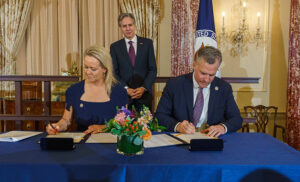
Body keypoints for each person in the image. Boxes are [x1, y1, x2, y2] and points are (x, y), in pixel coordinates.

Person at [155, 46, 242, 137]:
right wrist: (178, 126)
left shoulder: (224, 88)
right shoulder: (175, 85)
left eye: (211, 75)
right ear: (194, 65)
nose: (206, 79)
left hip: (212, 139)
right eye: (203, 73)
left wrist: (222, 127)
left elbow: (236, 119)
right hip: (182, 138)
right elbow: (160, 116)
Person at [46, 45, 128, 135]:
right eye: (86, 67)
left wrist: (103, 127)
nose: (88, 72)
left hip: (111, 144)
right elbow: (66, 121)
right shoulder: (74, 90)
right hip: (81, 144)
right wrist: (57, 126)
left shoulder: (119, 91)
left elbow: (124, 123)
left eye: (93, 69)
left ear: (104, 69)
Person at [110, 13, 157, 112]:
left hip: (144, 96)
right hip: (124, 97)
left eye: (130, 25)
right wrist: (126, 89)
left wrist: (143, 88)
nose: (128, 28)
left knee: (145, 127)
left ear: (135, 25)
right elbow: (114, 72)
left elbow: (152, 69)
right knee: (125, 127)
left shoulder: (147, 43)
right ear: (120, 28)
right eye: (124, 26)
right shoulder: (115, 47)